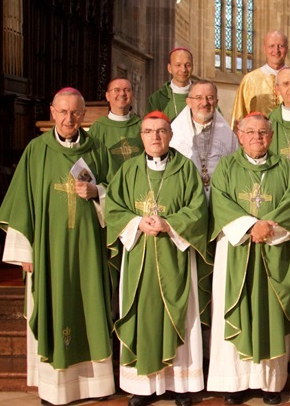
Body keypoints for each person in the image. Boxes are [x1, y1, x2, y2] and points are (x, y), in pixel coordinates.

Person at [0, 87, 115, 405]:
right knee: (53, 305)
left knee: (89, 306)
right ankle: (54, 389)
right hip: (49, 250)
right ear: (52, 112)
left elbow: (117, 195)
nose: (69, 118)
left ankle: (95, 386)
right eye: (62, 112)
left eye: (75, 112)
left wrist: (97, 193)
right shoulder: (37, 151)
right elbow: (21, 201)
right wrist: (24, 251)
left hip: (89, 250)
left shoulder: (97, 149)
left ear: (84, 115)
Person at [106, 111, 209, 406]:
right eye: (149, 131)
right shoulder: (128, 170)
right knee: (142, 316)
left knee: (181, 316)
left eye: (161, 131)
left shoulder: (185, 169)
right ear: (141, 136)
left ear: (170, 135)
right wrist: (137, 222)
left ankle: (181, 385)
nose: (155, 137)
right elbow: (113, 208)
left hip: (175, 254)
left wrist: (168, 224)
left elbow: (197, 210)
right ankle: (143, 386)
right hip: (139, 255)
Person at [206, 112, 290, 405]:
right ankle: (233, 383)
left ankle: (270, 384)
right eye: (250, 132)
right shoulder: (226, 167)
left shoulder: (284, 168)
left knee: (270, 312)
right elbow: (220, 203)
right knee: (234, 306)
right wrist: (251, 226)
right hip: (236, 249)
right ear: (239, 136)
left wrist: (266, 228)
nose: (256, 138)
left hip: (274, 247)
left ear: (271, 137)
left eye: (262, 133)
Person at [231, 30, 290, 124]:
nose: (276, 51)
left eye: (280, 46)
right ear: (264, 49)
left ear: (287, 49)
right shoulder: (249, 80)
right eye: (271, 46)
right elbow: (239, 120)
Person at [170, 80, 239, 195]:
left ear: (216, 102)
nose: (205, 102)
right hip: (186, 195)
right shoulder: (174, 134)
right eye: (198, 98)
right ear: (189, 102)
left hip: (219, 196)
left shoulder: (229, 137)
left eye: (210, 98)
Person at [89, 77, 144, 174]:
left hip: (137, 181)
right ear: (107, 96)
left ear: (132, 95)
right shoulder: (97, 128)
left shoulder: (142, 126)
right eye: (117, 90)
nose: (122, 94)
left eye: (127, 90)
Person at [147, 47, 194, 120]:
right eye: (178, 65)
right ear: (169, 68)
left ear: (192, 67)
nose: (183, 70)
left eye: (188, 65)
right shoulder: (157, 98)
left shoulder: (204, 95)